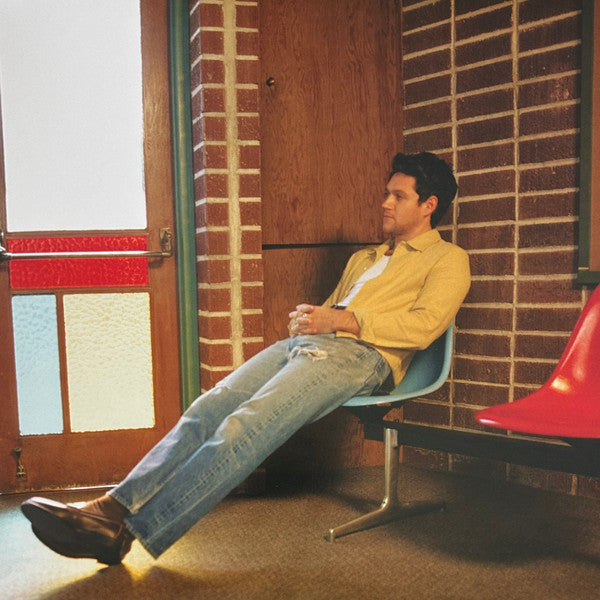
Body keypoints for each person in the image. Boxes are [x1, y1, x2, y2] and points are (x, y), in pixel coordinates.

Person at [21, 151, 471, 565]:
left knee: (245, 424)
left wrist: (342, 320)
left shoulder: (447, 260)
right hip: (308, 347)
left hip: (363, 359)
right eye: (386, 193)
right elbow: (332, 311)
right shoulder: (365, 257)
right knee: (209, 408)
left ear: (428, 205)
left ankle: (130, 533)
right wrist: (310, 320)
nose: (385, 203)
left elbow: (424, 327)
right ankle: (112, 506)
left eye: (398, 196)